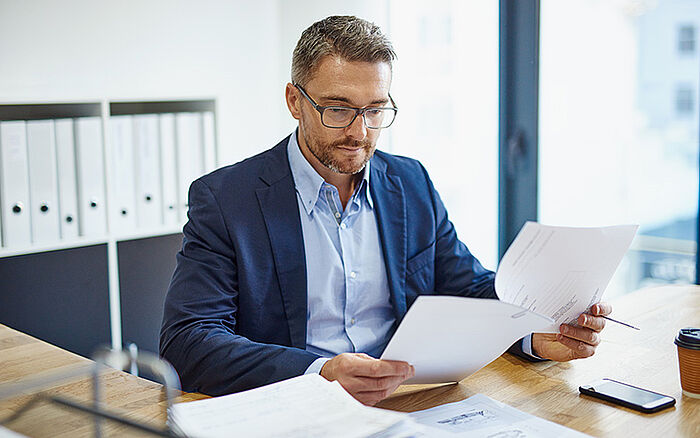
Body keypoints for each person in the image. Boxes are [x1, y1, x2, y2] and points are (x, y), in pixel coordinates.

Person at [160, 15, 612, 406]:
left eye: (375, 110)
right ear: (295, 102)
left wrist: (535, 334)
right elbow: (188, 342)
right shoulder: (226, 199)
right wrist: (319, 372)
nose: (359, 132)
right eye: (338, 109)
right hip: (298, 409)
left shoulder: (410, 182)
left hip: (407, 400)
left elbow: (467, 288)